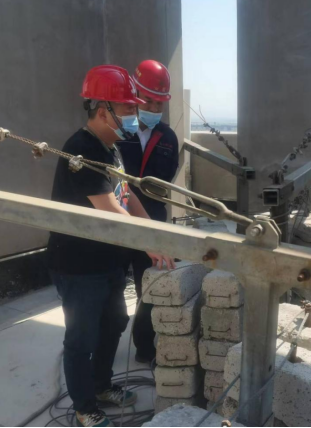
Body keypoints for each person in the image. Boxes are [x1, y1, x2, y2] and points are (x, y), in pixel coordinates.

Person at [48, 64, 175, 427]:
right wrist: (149, 243)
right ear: (103, 110)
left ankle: (102, 385)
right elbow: (111, 209)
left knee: (114, 322)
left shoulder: (110, 147)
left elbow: (127, 194)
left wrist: (156, 233)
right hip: (78, 264)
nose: (135, 113)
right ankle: (84, 406)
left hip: (106, 259)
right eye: (129, 108)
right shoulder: (81, 150)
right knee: (81, 337)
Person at [117, 59, 179, 364]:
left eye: (159, 104)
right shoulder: (117, 131)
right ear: (135, 97)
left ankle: (144, 345)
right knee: (111, 287)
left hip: (152, 219)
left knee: (150, 286)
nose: (154, 108)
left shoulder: (167, 138)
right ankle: (106, 338)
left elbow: (166, 180)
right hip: (115, 218)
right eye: (149, 101)